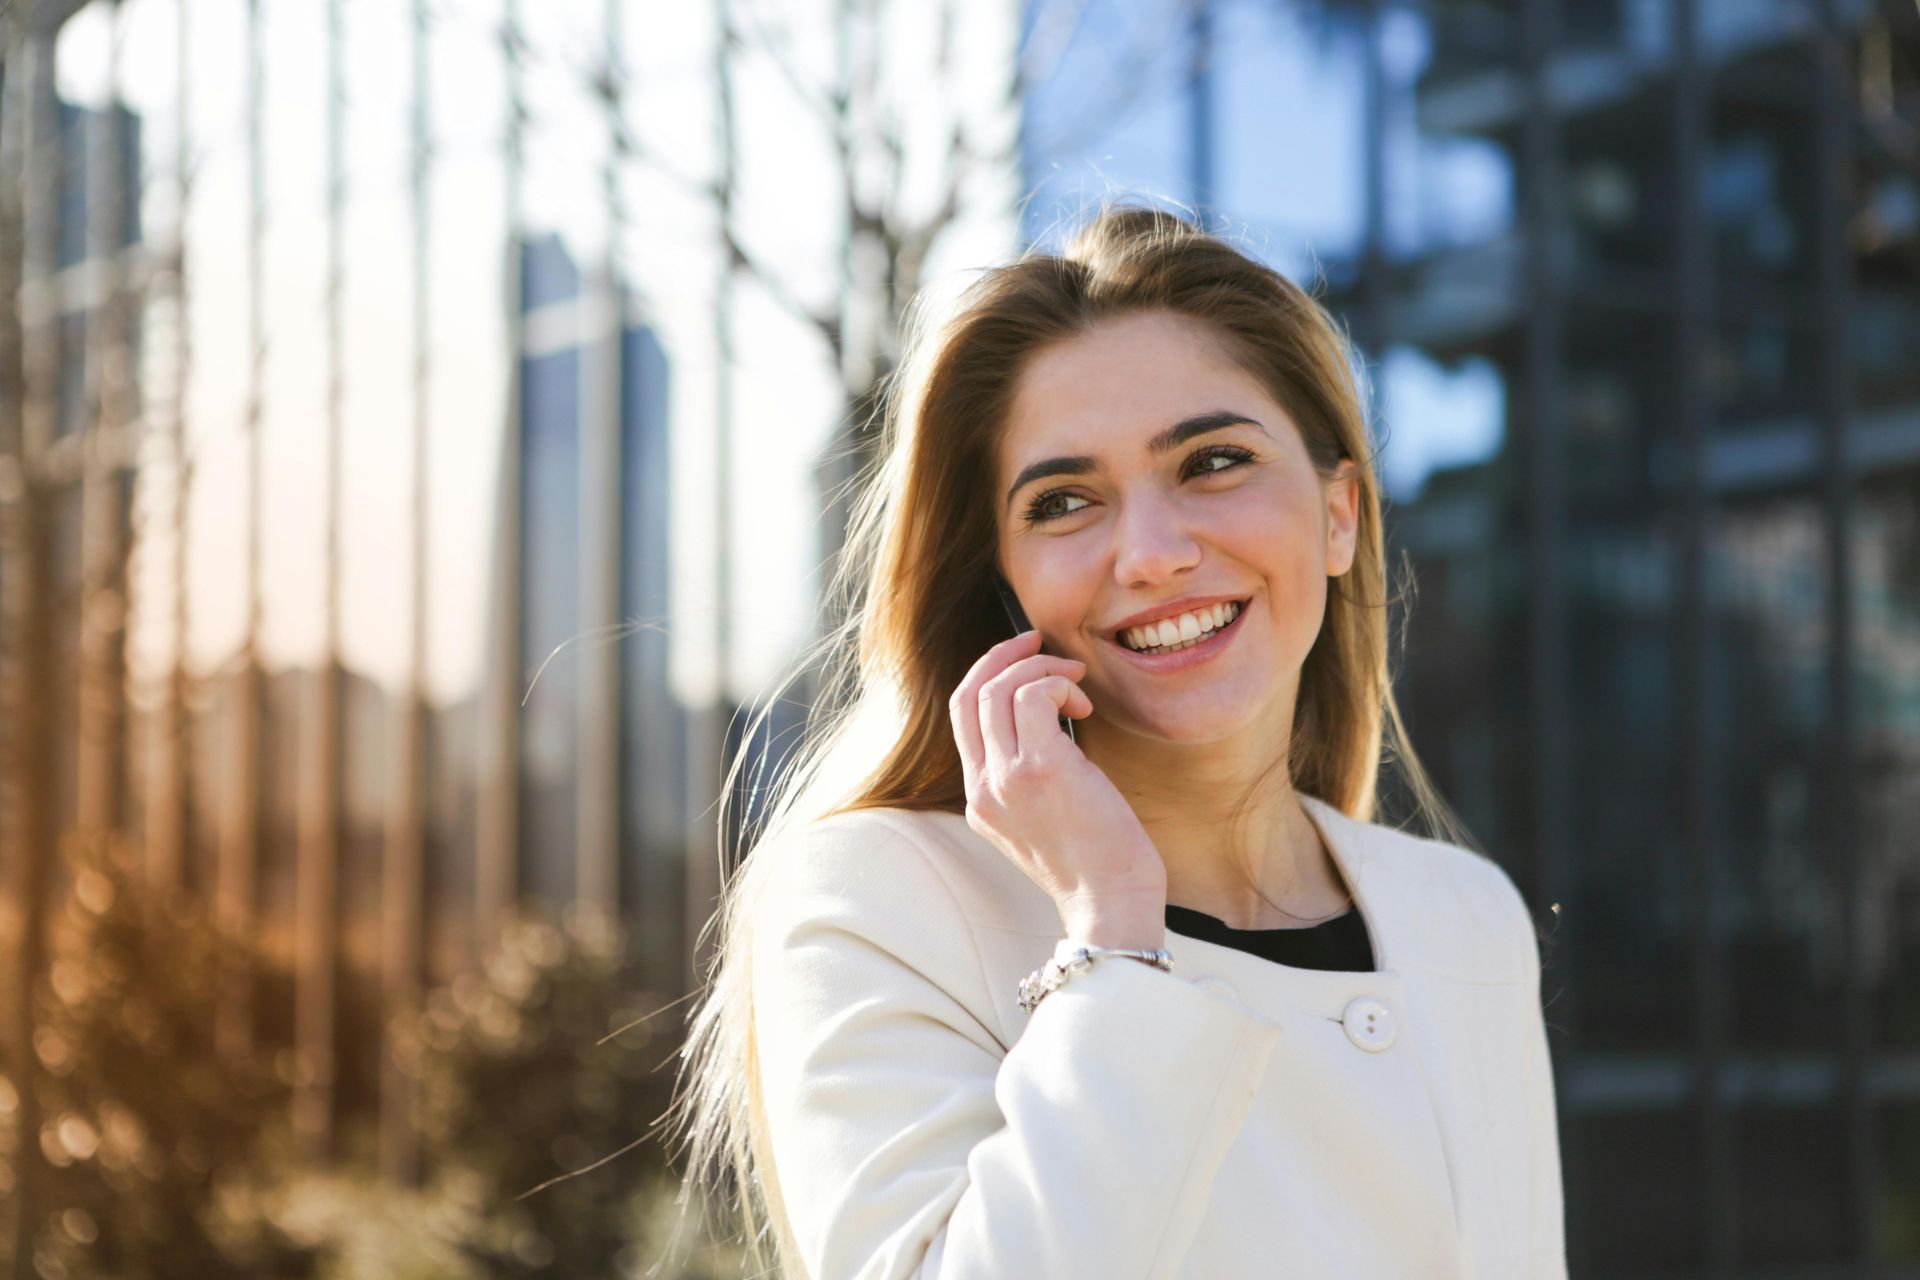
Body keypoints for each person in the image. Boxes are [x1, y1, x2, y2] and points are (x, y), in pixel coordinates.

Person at [659, 203, 1567, 1279]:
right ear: (1004, 579)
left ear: (1341, 514)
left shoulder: (1463, 916)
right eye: (1065, 500)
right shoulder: (882, 899)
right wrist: (1113, 938)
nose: (1150, 553)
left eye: (1214, 460)